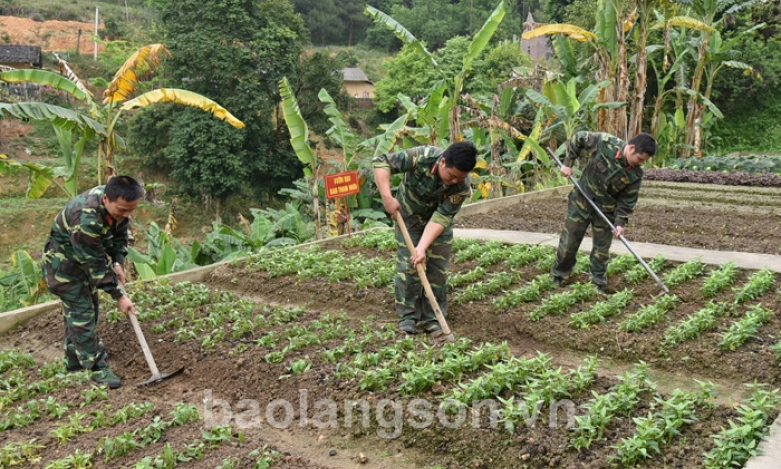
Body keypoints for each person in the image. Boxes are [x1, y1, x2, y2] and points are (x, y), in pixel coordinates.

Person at [41, 176, 143, 389]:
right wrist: (120, 296)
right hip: (64, 268)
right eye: (122, 210)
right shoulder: (86, 220)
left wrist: (117, 262)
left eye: (130, 210)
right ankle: (96, 365)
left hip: (81, 263)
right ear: (106, 199)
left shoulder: (118, 206)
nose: (126, 215)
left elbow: (119, 235)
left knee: (86, 310)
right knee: (82, 313)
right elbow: (95, 265)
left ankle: (73, 359)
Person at [373, 142, 477, 334]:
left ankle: (433, 317)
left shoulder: (462, 186)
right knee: (408, 266)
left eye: (460, 178)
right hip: (409, 218)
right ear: (443, 162)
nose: (454, 181)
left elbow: (441, 217)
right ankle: (408, 316)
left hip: (436, 222)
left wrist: (421, 248)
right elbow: (382, 162)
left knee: (438, 268)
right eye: (452, 176)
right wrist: (387, 197)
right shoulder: (421, 156)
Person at [551, 131, 657, 294]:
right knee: (569, 242)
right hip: (582, 200)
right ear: (631, 148)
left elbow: (627, 200)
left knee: (602, 249)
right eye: (640, 159)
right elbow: (578, 137)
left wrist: (620, 223)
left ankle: (597, 284)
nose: (640, 163)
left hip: (606, 210)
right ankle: (558, 276)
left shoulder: (635, 174)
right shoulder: (604, 143)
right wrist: (568, 162)